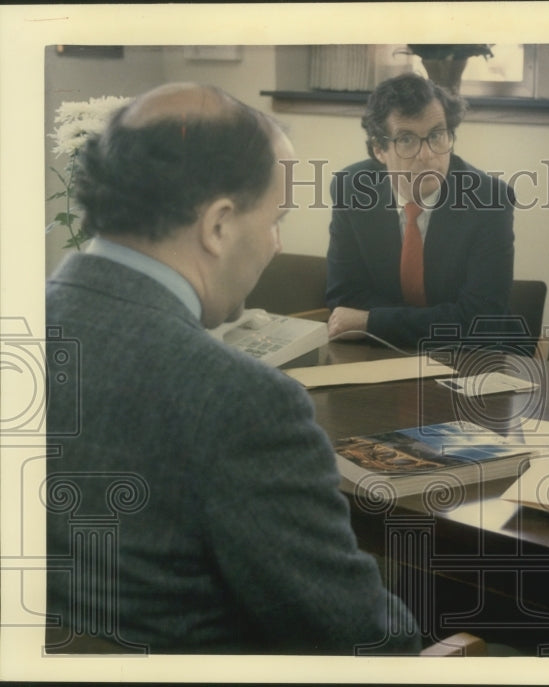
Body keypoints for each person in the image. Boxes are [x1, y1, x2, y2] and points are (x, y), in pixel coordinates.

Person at [45, 83, 421, 655]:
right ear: (218, 225)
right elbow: (364, 643)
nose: (276, 244)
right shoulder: (244, 403)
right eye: (276, 219)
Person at [325, 73, 515, 348]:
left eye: (436, 136)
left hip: (468, 359)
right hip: (378, 355)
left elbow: (481, 321)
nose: (427, 155)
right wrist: (431, 321)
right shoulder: (352, 189)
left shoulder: (489, 200)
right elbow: (344, 298)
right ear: (379, 149)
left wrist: (372, 321)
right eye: (406, 140)